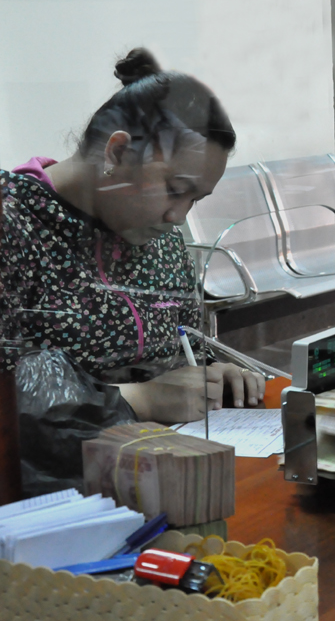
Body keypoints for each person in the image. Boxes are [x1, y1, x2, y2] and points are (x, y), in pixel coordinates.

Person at [0, 48, 264, 423]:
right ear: (118, 152)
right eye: (174, 189)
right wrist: (140, 399)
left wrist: (210, 377)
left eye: (195, 199)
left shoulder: (159, 239)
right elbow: (11, 397)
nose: (178, 216)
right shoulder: (13, 222)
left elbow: (185, 347)